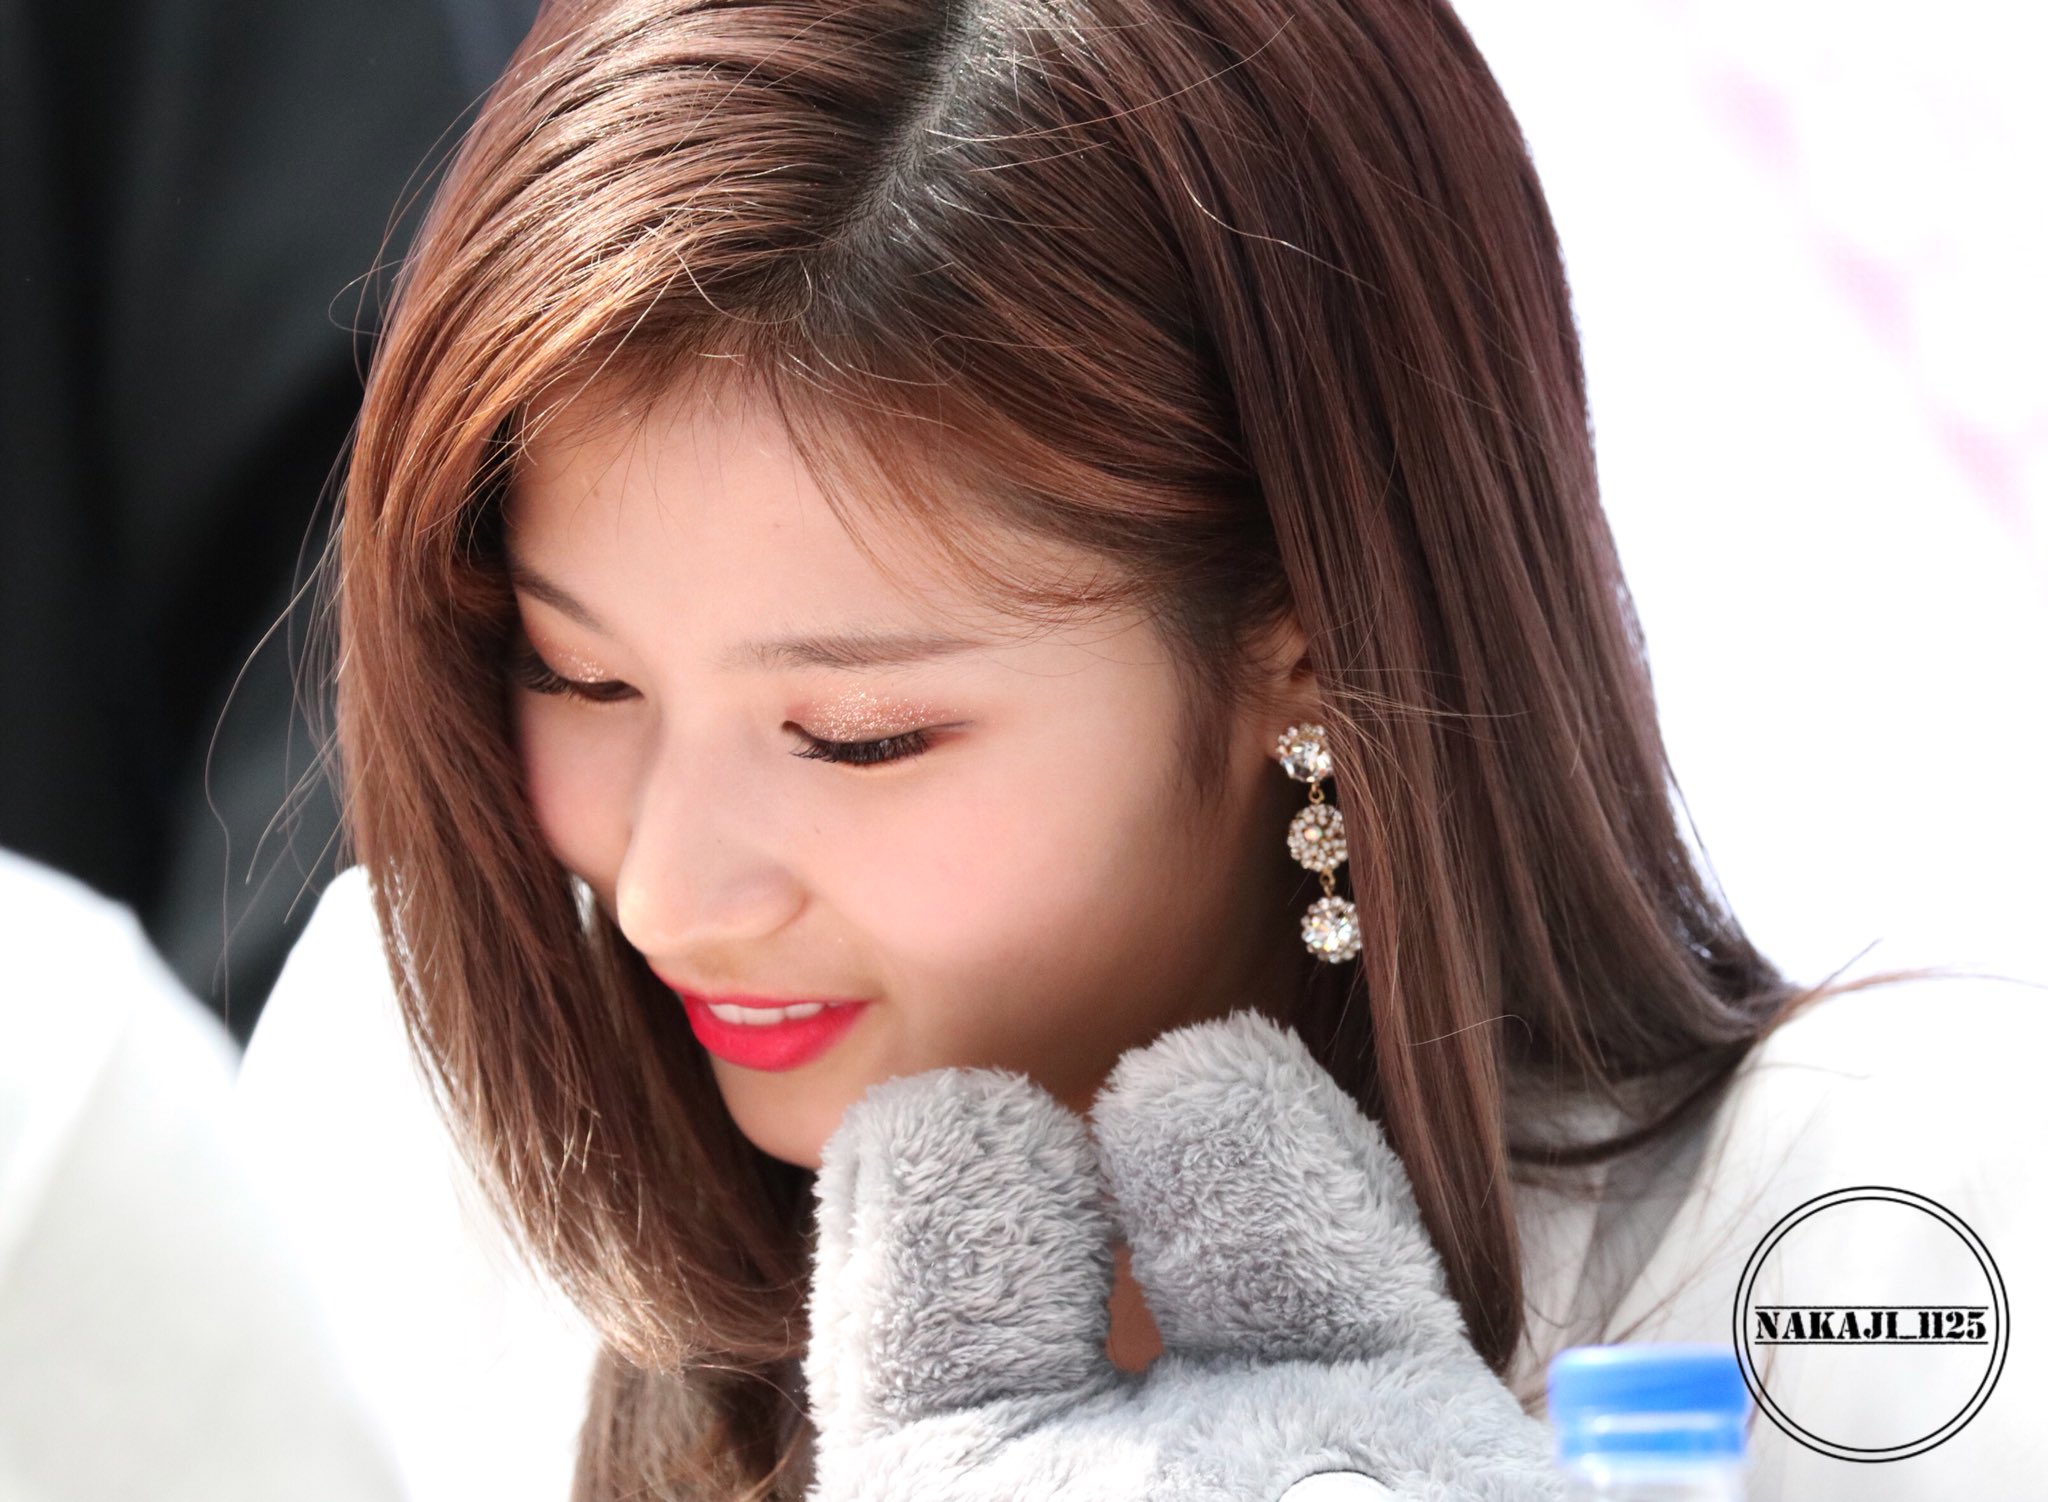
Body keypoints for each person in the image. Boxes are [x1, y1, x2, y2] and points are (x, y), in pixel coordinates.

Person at [252, 0, 2045, 1496]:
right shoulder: (420, 1116)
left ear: (1309, 645)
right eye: (579, 675)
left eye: (856, 737)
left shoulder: (1866, 1230)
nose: (668, 894)